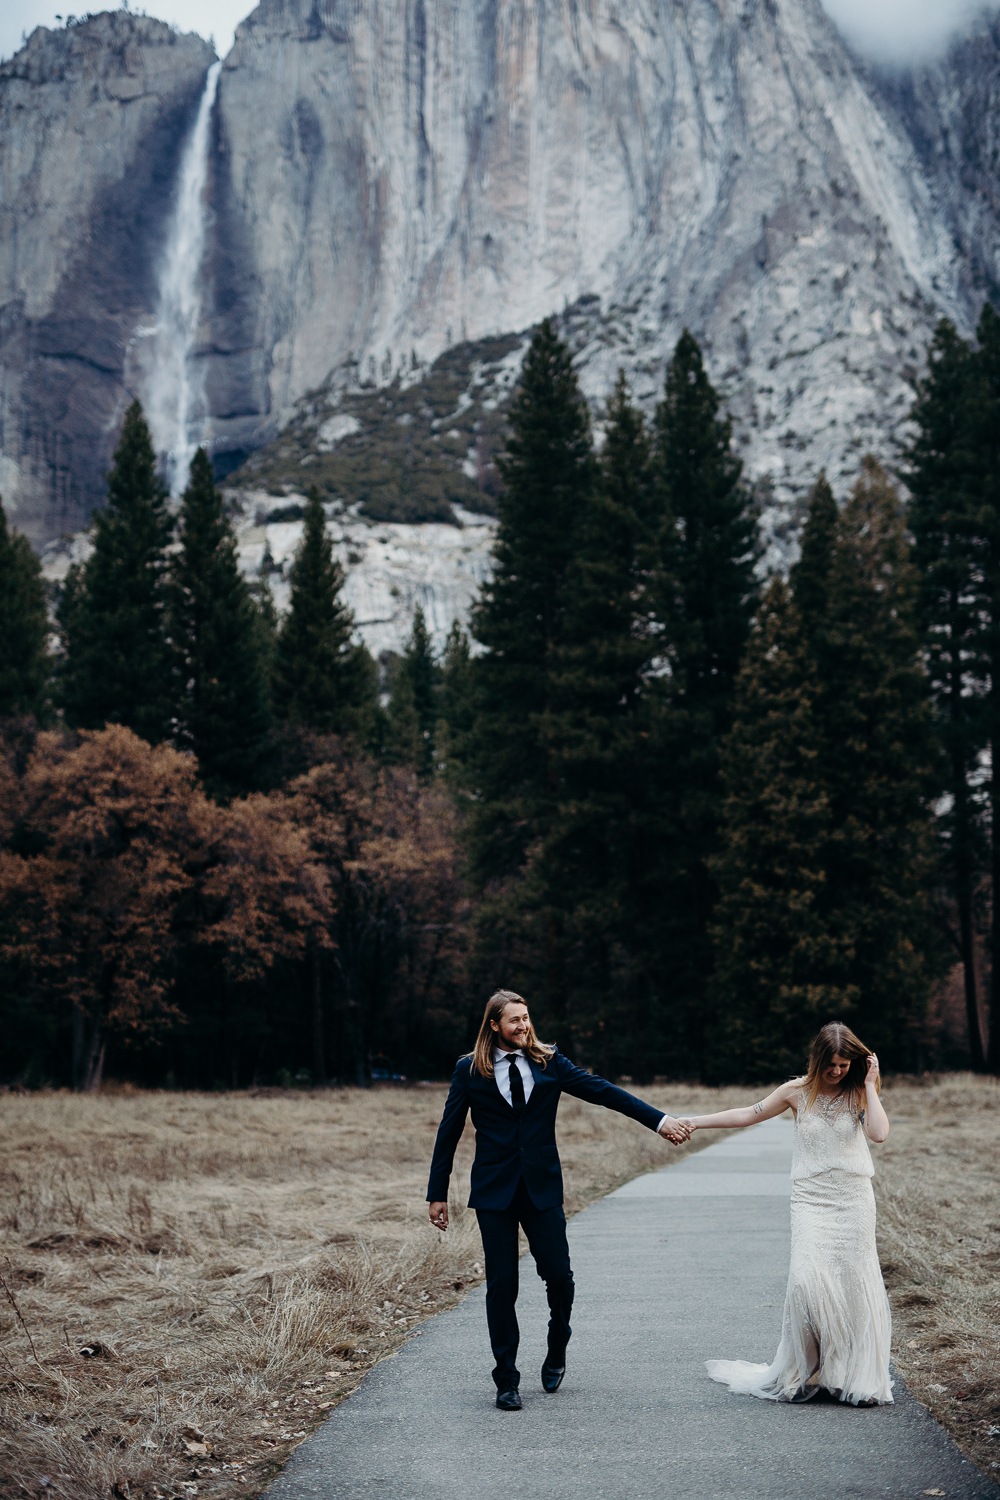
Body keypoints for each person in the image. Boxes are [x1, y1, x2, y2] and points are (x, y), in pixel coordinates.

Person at [427, 989, 691, 1410]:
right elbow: (449, 1131)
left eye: (526, 1017)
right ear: (494, 1025)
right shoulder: (469, 1070)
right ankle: (506, 1379)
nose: (524, 1025)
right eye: (514, 1020)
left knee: (559, 1277)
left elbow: (605, 1092)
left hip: (541, 1189)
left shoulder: (549, 1062)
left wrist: (658, 1121)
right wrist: (436, 1193)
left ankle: (558, 1342)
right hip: (494, 1193)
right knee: (502, 1286)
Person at [676, 1021, 892, 1407]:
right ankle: (804, 1370)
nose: (837, 1071)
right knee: (806, 1283)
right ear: (818, 1060)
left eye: (845, 1064)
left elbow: (878, 1134)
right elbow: (747, 1114)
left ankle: (845, 1374)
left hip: (853, 1200)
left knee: (852, 1286)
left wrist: (870, 1085)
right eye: (832, 1065)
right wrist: (693, 1120)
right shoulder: (797, 1092)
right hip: (811, 1200)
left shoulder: (859, 1092)